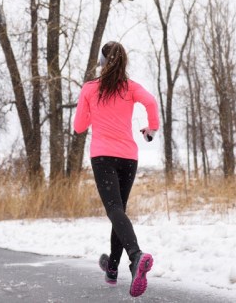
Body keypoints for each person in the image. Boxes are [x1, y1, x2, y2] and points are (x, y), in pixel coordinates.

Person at [73, 41, 160, 298]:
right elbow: (151, 102)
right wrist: (151, 129)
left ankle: (136, 256)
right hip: (128, 158)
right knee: (118, 211)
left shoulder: (90, 89)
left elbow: (79, 127)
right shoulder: (131, 87)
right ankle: (112, 267)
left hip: (103, 156)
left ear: (102, 62)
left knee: (114, 210)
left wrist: (91, 110)